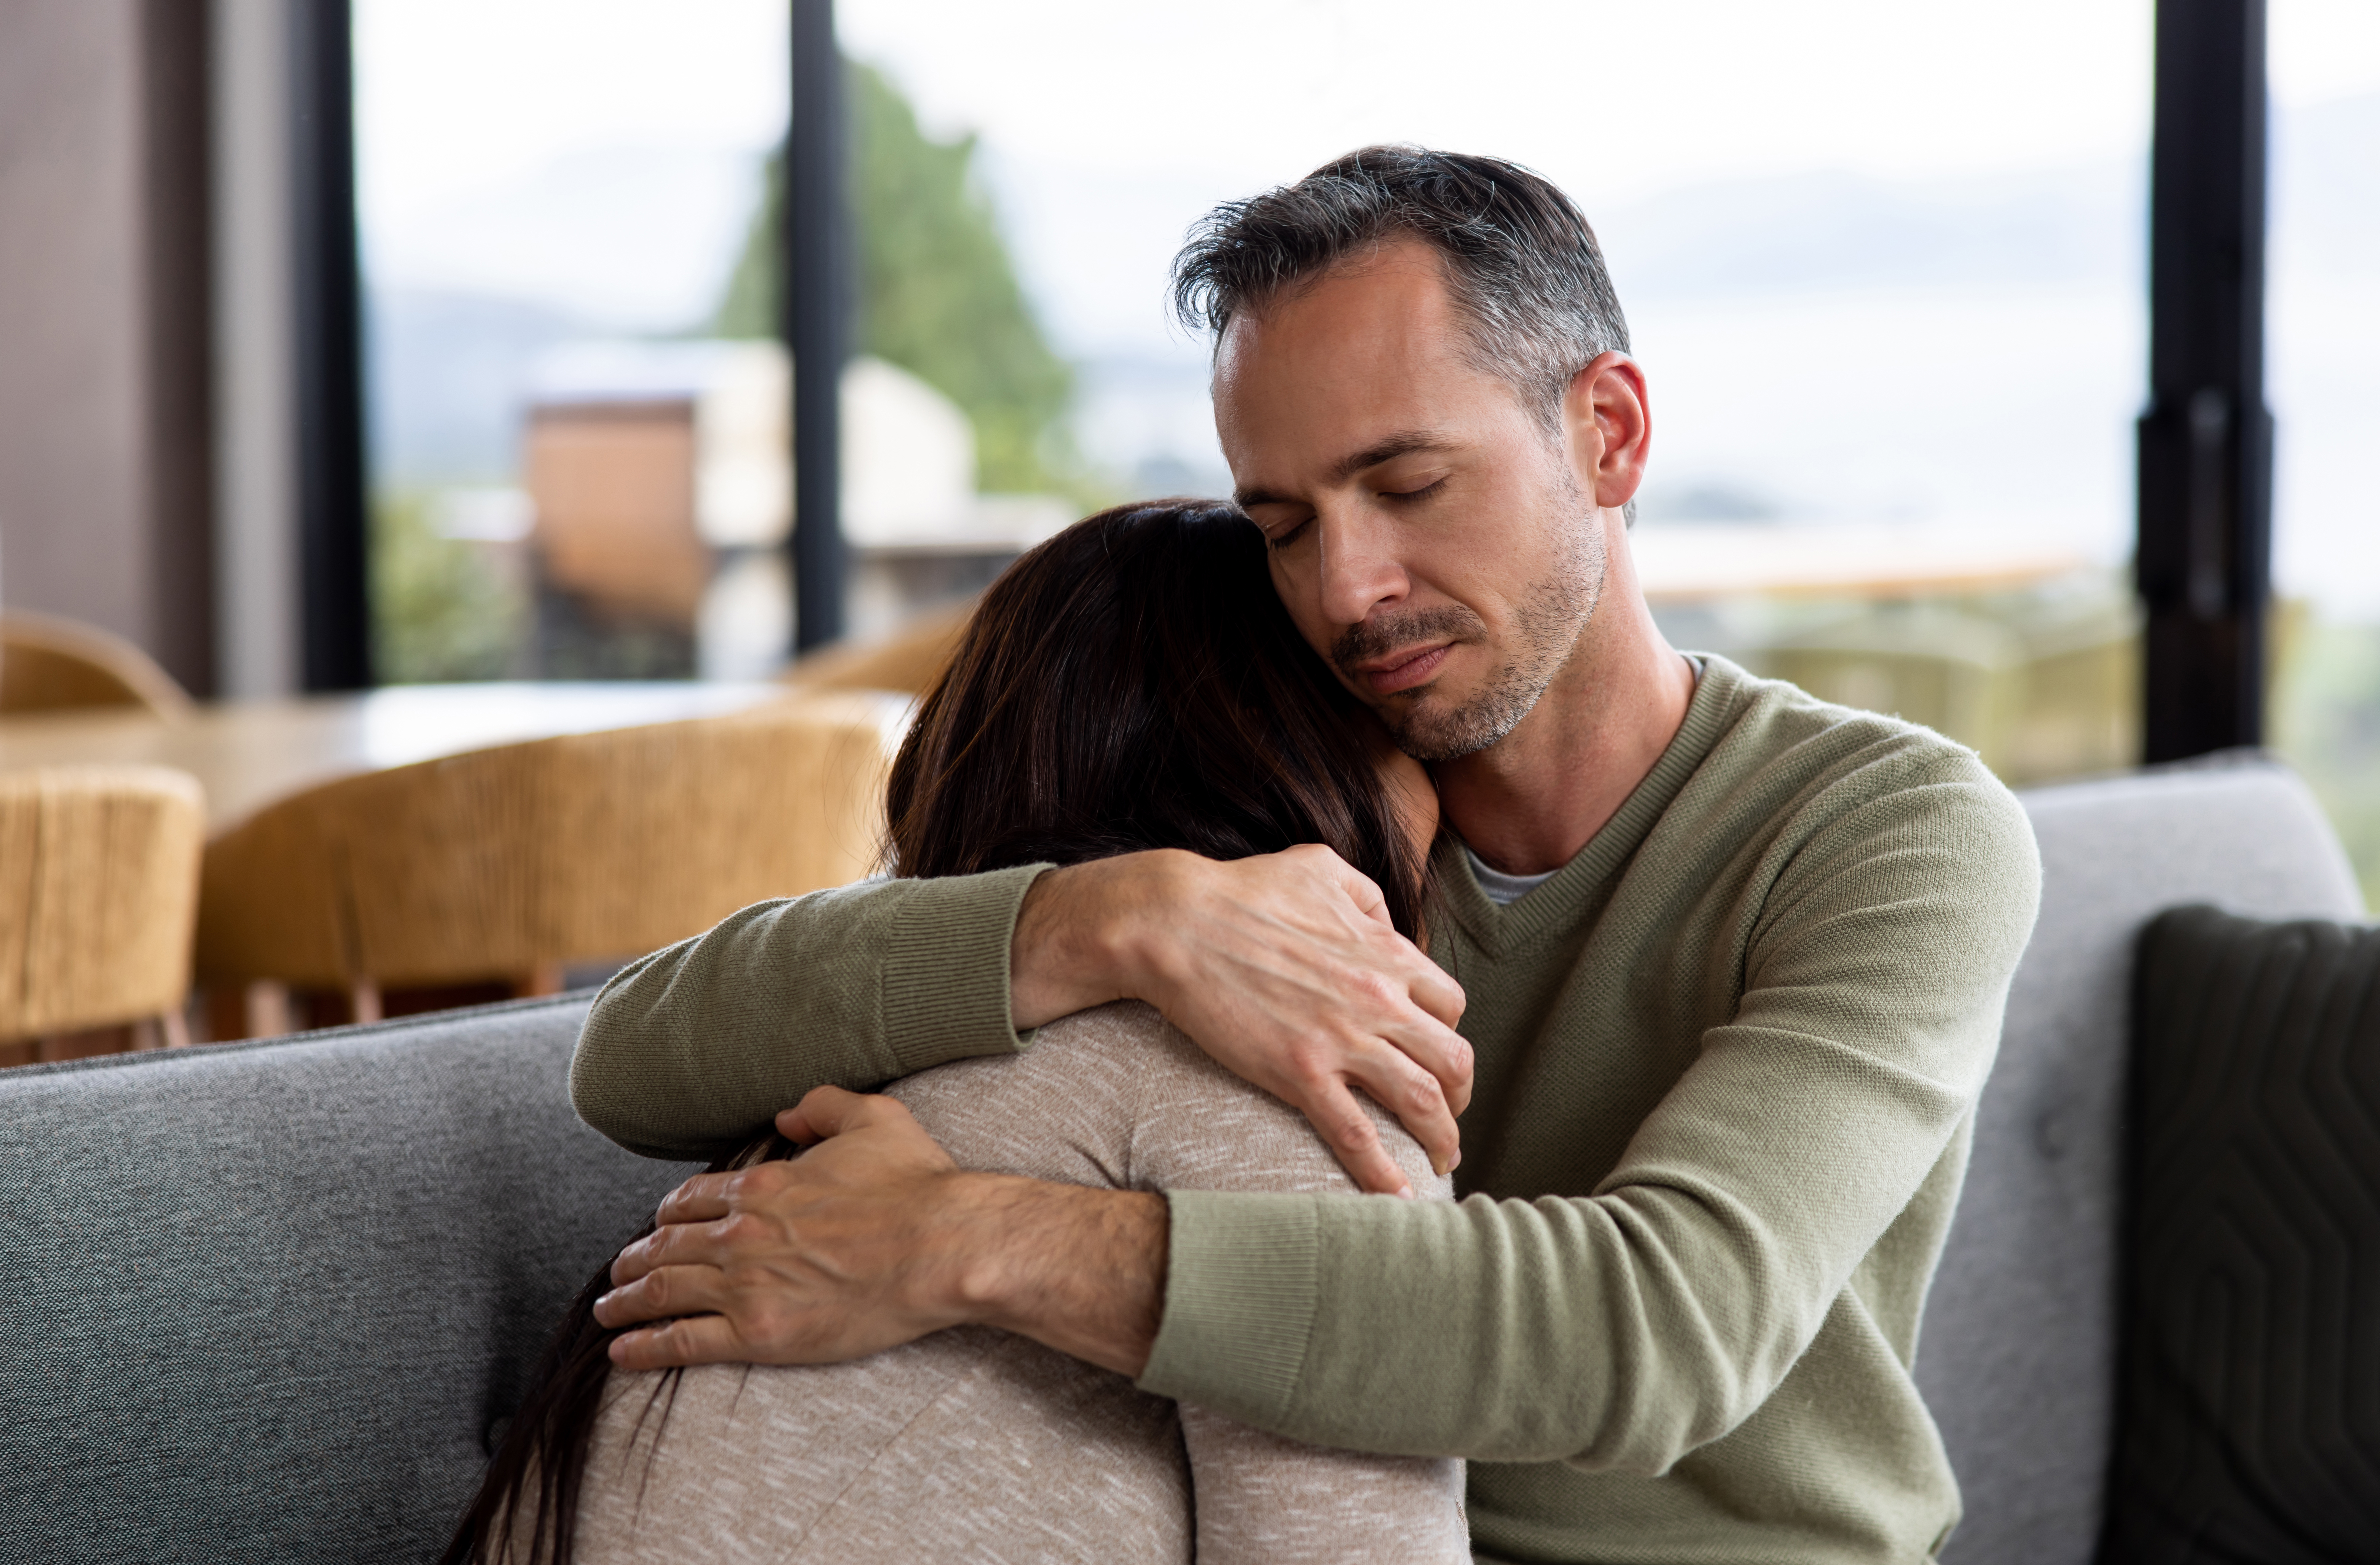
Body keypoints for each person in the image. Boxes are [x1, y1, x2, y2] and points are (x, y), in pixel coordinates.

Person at [572, 148, 2043, 1563]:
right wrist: (1107, 919)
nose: (1347, 589)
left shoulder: (1891, 833)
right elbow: (634, 1056)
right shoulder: (1274, 831)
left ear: (1608, 433)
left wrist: (963, 1240)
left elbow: (1662, 1333)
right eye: (1282, 525)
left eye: (1405, 487)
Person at [446, 500, 1468, 1565]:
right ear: (1293, 750)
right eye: (1391, 724)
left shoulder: (905, 1028)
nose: (1444, 795)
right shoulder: (1303, 1063)